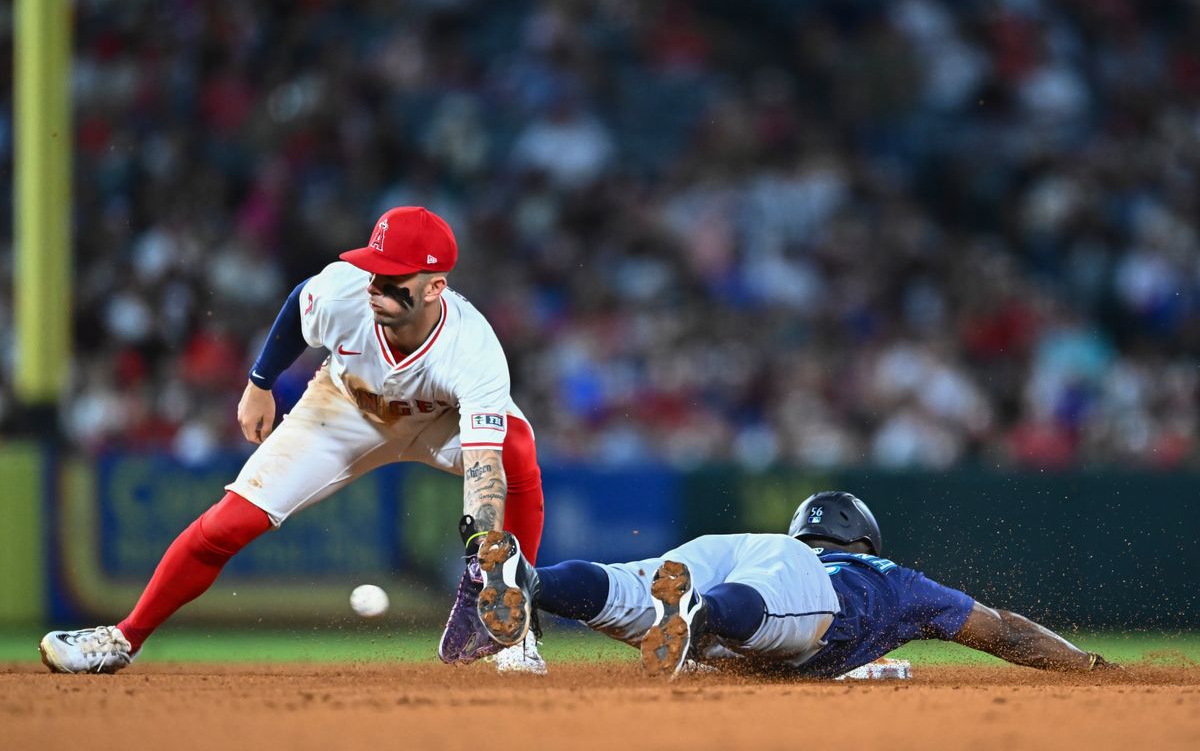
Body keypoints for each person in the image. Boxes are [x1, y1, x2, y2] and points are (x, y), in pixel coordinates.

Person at [40, 206, 548, 675]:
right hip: (345, 408)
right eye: (373, 269)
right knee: (227, 524)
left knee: (518, 448)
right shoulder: (342, 292)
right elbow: (295, 308)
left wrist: (484, 556)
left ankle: (516, 626)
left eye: (392, 277)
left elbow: (485, 467)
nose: (374, 285)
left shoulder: (474, 349)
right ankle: (123, 639)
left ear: (436, 287)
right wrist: (259, 383)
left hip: (440, 421)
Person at [466, 491, 1118, 678]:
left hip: (731, 553)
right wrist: (1083, 664)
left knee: (626, 589)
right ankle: (695, 612)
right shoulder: (884, 576)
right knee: (771, 613)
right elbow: (1000, 631)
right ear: (863, 539)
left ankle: (528, 577)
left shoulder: (772, 545)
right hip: (782, 593)